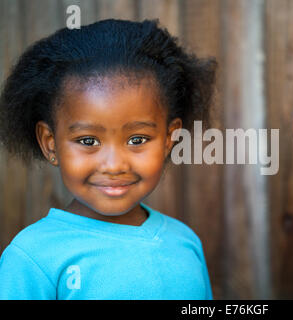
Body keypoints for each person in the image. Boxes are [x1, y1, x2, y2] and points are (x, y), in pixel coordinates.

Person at [0, 19, 216, 299]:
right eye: (88, 141)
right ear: (50, 144)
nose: (114, 165)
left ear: (168, 139)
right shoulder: (33, 258)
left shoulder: (185, 242)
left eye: (137, 140)